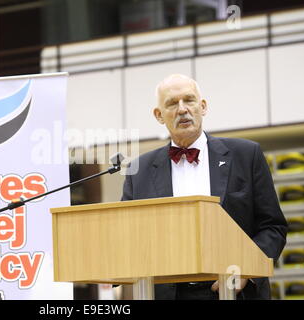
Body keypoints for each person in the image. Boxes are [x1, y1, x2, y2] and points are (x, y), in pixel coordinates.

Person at [121, 74, 288, 300]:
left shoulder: (246, 155)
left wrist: (248, 269)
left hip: (234, 291)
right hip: (167, 294)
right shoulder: (138, 170)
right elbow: (128, 237)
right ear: (159, 115)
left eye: (189, 100)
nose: (182, 109)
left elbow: (273, 226)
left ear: (203, 106)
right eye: (172, 103)